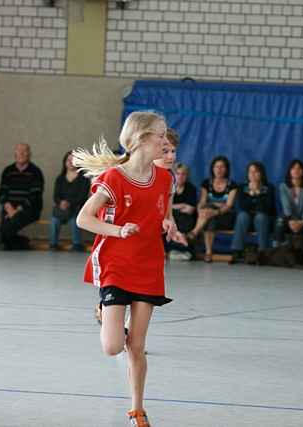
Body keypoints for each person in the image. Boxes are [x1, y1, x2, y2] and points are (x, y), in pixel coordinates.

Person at [73, 111, 177, 427]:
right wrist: (118, 230)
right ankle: (108, 318)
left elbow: (164, 212)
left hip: (149, 265)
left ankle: (137, 409)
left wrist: (169, 222)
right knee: (113, 346)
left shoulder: (165, 179)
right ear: (142, 138)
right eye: (160, 134)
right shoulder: (114, 179)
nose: (166, 140)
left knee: (138, 346)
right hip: (116, 264)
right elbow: (83, 219)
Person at [0, 144, 44, 250]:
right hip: (9, 209)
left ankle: (5, 243)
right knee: (5, 228)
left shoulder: (36, 172)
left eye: (25, 151)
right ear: (15, 154)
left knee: (4, 230)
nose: (21, 154)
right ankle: (23, 243)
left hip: (29, 209)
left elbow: (35, 196)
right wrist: (8, 207)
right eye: (19, 151)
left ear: (29, 154)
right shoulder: (8, 171)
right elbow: (1, 193)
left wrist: (17, 210)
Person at [154, 129, 194, 261]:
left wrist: (174, 231)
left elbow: (168, 214)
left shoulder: (169, 178)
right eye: (165, 151)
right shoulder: (130, 175)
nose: (171, 157)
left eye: (173, 151)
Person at [188, 156, 237, 262]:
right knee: (209, 217)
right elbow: (202, 201)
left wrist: (215, 210)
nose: (219, 170)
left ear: (226, 169)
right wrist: (200, 209)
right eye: (216, 167)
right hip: (208, 215)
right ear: (212, 169)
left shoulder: (232, 185)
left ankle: (195, 232)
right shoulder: (206, 183)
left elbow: (228, 205)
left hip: (225, 216)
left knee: (209, 211)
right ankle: (208, 252)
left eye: (222, 167)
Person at [230, 161, 275, 263]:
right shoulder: (242, 187)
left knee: (260, 216)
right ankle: (237, 251)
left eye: (256, 172)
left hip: (263, 221)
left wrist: (257, 192)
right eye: (250, 172)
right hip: (247, 222)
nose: (253, 175)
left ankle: (263, 252)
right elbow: (243, 206)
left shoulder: (269, 188)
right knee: (242, 215)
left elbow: (266, 207)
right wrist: (252, 193)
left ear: (261, 174)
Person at [49, 151, 90, 251]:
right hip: (61, 208)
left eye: (74, 160)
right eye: (68, 160)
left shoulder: (84, 179)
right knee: (54, 220)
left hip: (76, 207)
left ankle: (77, 244)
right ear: (64, 162)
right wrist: (61, 203)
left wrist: (70, 203)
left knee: (74, 219)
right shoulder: (60, 178)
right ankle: (53, 244)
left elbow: (83, 196)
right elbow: (56, 196)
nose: (71, 162)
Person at [274, 159, 303, 250]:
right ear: (290, 171)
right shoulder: (283, 186)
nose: (296, 171)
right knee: (279, 223)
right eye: (293, 168)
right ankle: (276, 249)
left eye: (299, 168)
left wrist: (302, 222)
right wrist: (290, 221)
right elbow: (285, 206)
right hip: (288, 218)